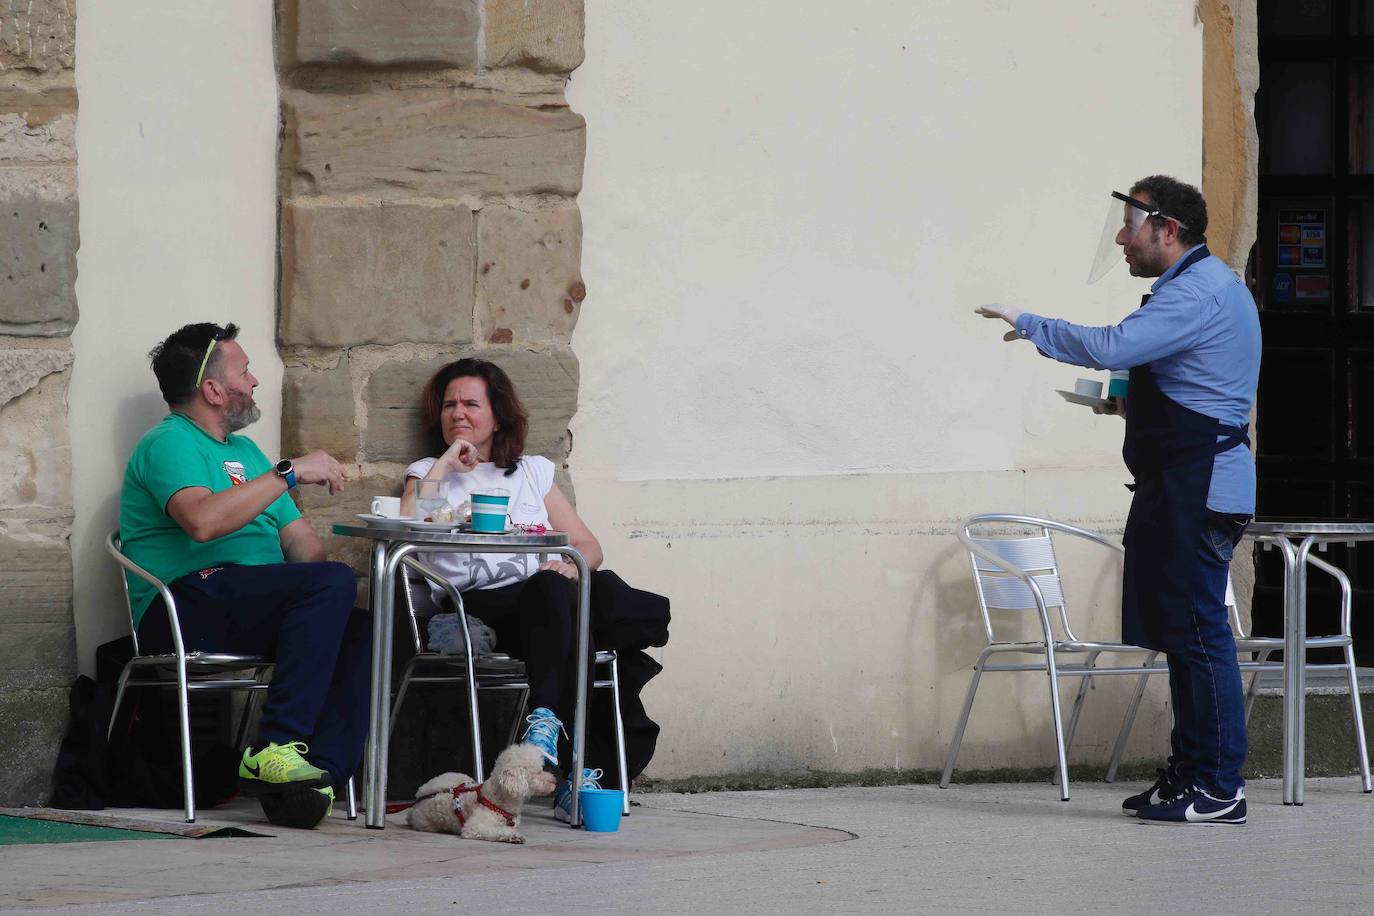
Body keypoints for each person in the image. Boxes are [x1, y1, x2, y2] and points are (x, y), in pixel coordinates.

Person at [976, 175, 1260, 825]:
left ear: (1169, 229)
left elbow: (1114, 346)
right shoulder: (1190, 291)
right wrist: (1118, 404)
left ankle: (1219, 786)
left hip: (1201, 487)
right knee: (1181, 638)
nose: (1120, 235)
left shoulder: (1201, 290)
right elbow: (1184, 387)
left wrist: (1032, 323)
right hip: (1179, 484)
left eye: (1132, 224)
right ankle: (1192, 773)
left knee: (1198, 635)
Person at [118, 322, 370, 829]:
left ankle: (317, 780)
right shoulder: (168, 443)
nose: (255, 381)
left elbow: (298, 539)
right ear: (212, 389)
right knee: (332, 585)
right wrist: (290, 472)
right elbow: (203, 521)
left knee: (360, 626)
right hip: (185, 605)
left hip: (244, 600)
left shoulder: (247, 453)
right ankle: (275, 746)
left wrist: (323, 580)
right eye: (245, 370)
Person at [401, 358, 648, 823]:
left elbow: (589, 546)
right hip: (475, 605)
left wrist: (573, 568)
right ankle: (578, 768)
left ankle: (544, 730)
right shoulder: (428, 472)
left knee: (559, 589)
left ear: (498, 415)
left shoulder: (532, 472)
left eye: (472, 404)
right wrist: (448, 462)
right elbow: (409, 523)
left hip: (544, 606)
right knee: (578, 606)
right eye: (450, 404)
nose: (459, 413)